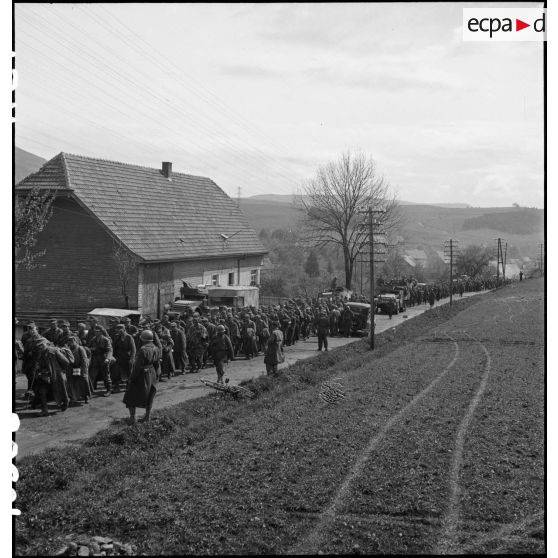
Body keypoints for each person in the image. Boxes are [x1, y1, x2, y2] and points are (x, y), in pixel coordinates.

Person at [123, 329, 160, 425]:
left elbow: (137, 366)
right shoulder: (156, 348)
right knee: (150, 395)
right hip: (152, 373)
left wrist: (131, 378)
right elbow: (157, 364)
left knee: (130, 396)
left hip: (142, 374)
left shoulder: (143, 350)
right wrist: (156, 376)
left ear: (143, 339)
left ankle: (132, 418)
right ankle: (147, 416)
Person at [31, 337, 74, 416]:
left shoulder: (54, 351)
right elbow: (39, 364)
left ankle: (65, 403)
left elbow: (66, 362)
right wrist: (38, 369)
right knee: (41, 391)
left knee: (62, 392)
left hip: (56, 376)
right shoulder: (40, 353)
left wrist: (59, 370)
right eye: (39, 346)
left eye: (42, 345)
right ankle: (45, 410)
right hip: (44, 376)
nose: (40, 347)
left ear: (46, 343)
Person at [88, 325, 114, 395]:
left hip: (103, 359)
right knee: (92, 375)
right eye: (95, 331)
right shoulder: (93, 339)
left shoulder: (105, 340)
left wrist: (108, 358)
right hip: (95, 359)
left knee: (106, 376)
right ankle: (90, 390)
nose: (95, 332)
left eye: (97, 331)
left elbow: (110, 350)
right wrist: (91, 349)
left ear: (101, 332)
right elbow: (88, 348)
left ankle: (109, 390)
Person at [66, 336, 92, 405]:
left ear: (75, 341)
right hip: (72, 368)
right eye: (69, 341)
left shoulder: (80, 348)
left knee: (84, 381)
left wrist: (84, 370)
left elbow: (84, 360)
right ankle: (74, 398)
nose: (70, 342)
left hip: (81, 367)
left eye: (72, 341)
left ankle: (86, 396)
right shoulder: (68, 349)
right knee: (73, 383)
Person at [111, 324, 136, 392]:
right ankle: (116, 387)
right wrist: (112, 356)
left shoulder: (129, 337)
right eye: (117, 330)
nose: (118, 331)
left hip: (127, 357)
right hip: (118, 357)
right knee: (116, 372)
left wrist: (132, 359)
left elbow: (133, 349)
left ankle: (129, 386)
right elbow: (114, 348)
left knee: (129, 372)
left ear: (124, 330)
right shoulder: (117, 337)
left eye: (120, 330)